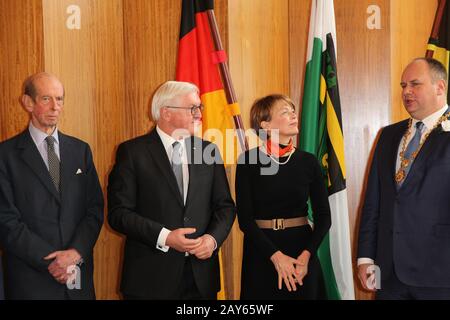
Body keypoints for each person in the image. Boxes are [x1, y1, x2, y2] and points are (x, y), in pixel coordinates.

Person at [107, 80, 235, 300]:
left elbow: (224, 207)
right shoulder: (132, 152)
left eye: (199, 107)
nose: (199, 114)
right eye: (192, 108)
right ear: (166, 112)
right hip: (149, 279)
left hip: (200, 278)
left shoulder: (208, 150)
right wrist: (165, 237)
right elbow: (119, 214)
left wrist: (212, 240)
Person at [0, 72, 104, 300]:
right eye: (46, 99)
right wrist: (52, 260)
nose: (55, 106)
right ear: (28, 102)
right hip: (31, 280)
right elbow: (6, 220)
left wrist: (75, 253)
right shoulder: (5, 155)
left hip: (77, 277)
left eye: (60, 99)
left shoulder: (81, 151)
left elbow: (94, 210)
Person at [357, 57, 450, 299]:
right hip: (389, 275)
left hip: (440, 275)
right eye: (403, 85)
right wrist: (366, 258)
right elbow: (373, 202)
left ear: (440, 87)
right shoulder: (389, 135)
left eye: (415, 84)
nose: (406, 91)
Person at [235, 94, 331, 300]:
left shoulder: (309, 161)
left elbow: (324, 216)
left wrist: (307, 256)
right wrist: (276, 257)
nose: (293, 114)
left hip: (302, 253)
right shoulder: (248, 161)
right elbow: (245, 220)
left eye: (293, 110)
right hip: (262, 252)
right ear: (266, 125)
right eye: (285, 112)